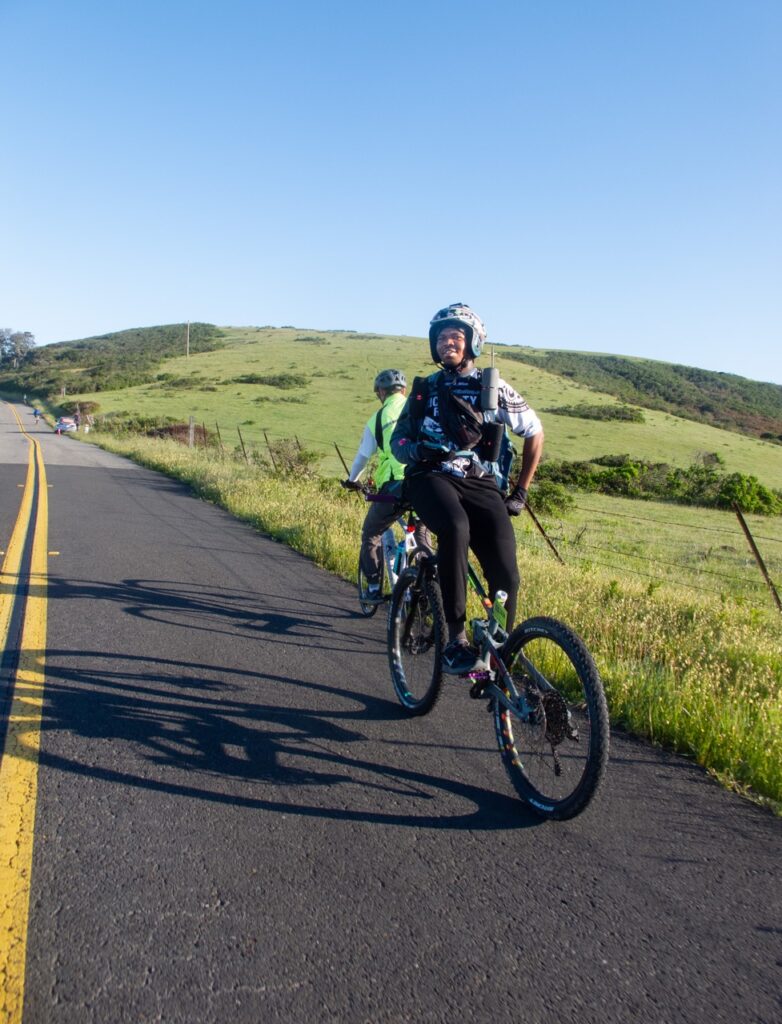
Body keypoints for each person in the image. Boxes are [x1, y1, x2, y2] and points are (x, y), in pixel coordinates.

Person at [391, 303, 544, 675]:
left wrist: (521, 491)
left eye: (456, 337)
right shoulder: (424, 390)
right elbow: (398, 443)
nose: (448, 343)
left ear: (473, 342)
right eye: (441, 338)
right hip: (430, 476)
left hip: (479, 480)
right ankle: (456, 640)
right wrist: (416, 450)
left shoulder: (493, 389)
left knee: (506, 570)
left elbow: (534, 431)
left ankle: (497, 650)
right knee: (455, 528)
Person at [342, 369, 432, 599]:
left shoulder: (378, 418)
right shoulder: (423, 409)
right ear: (404, 390)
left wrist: (353, 481)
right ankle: (430, 588)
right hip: (426, 483)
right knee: (421, 533)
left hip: (396, 487)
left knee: (371, 533)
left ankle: (373, 588)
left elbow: (363, 456)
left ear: (381, 392)